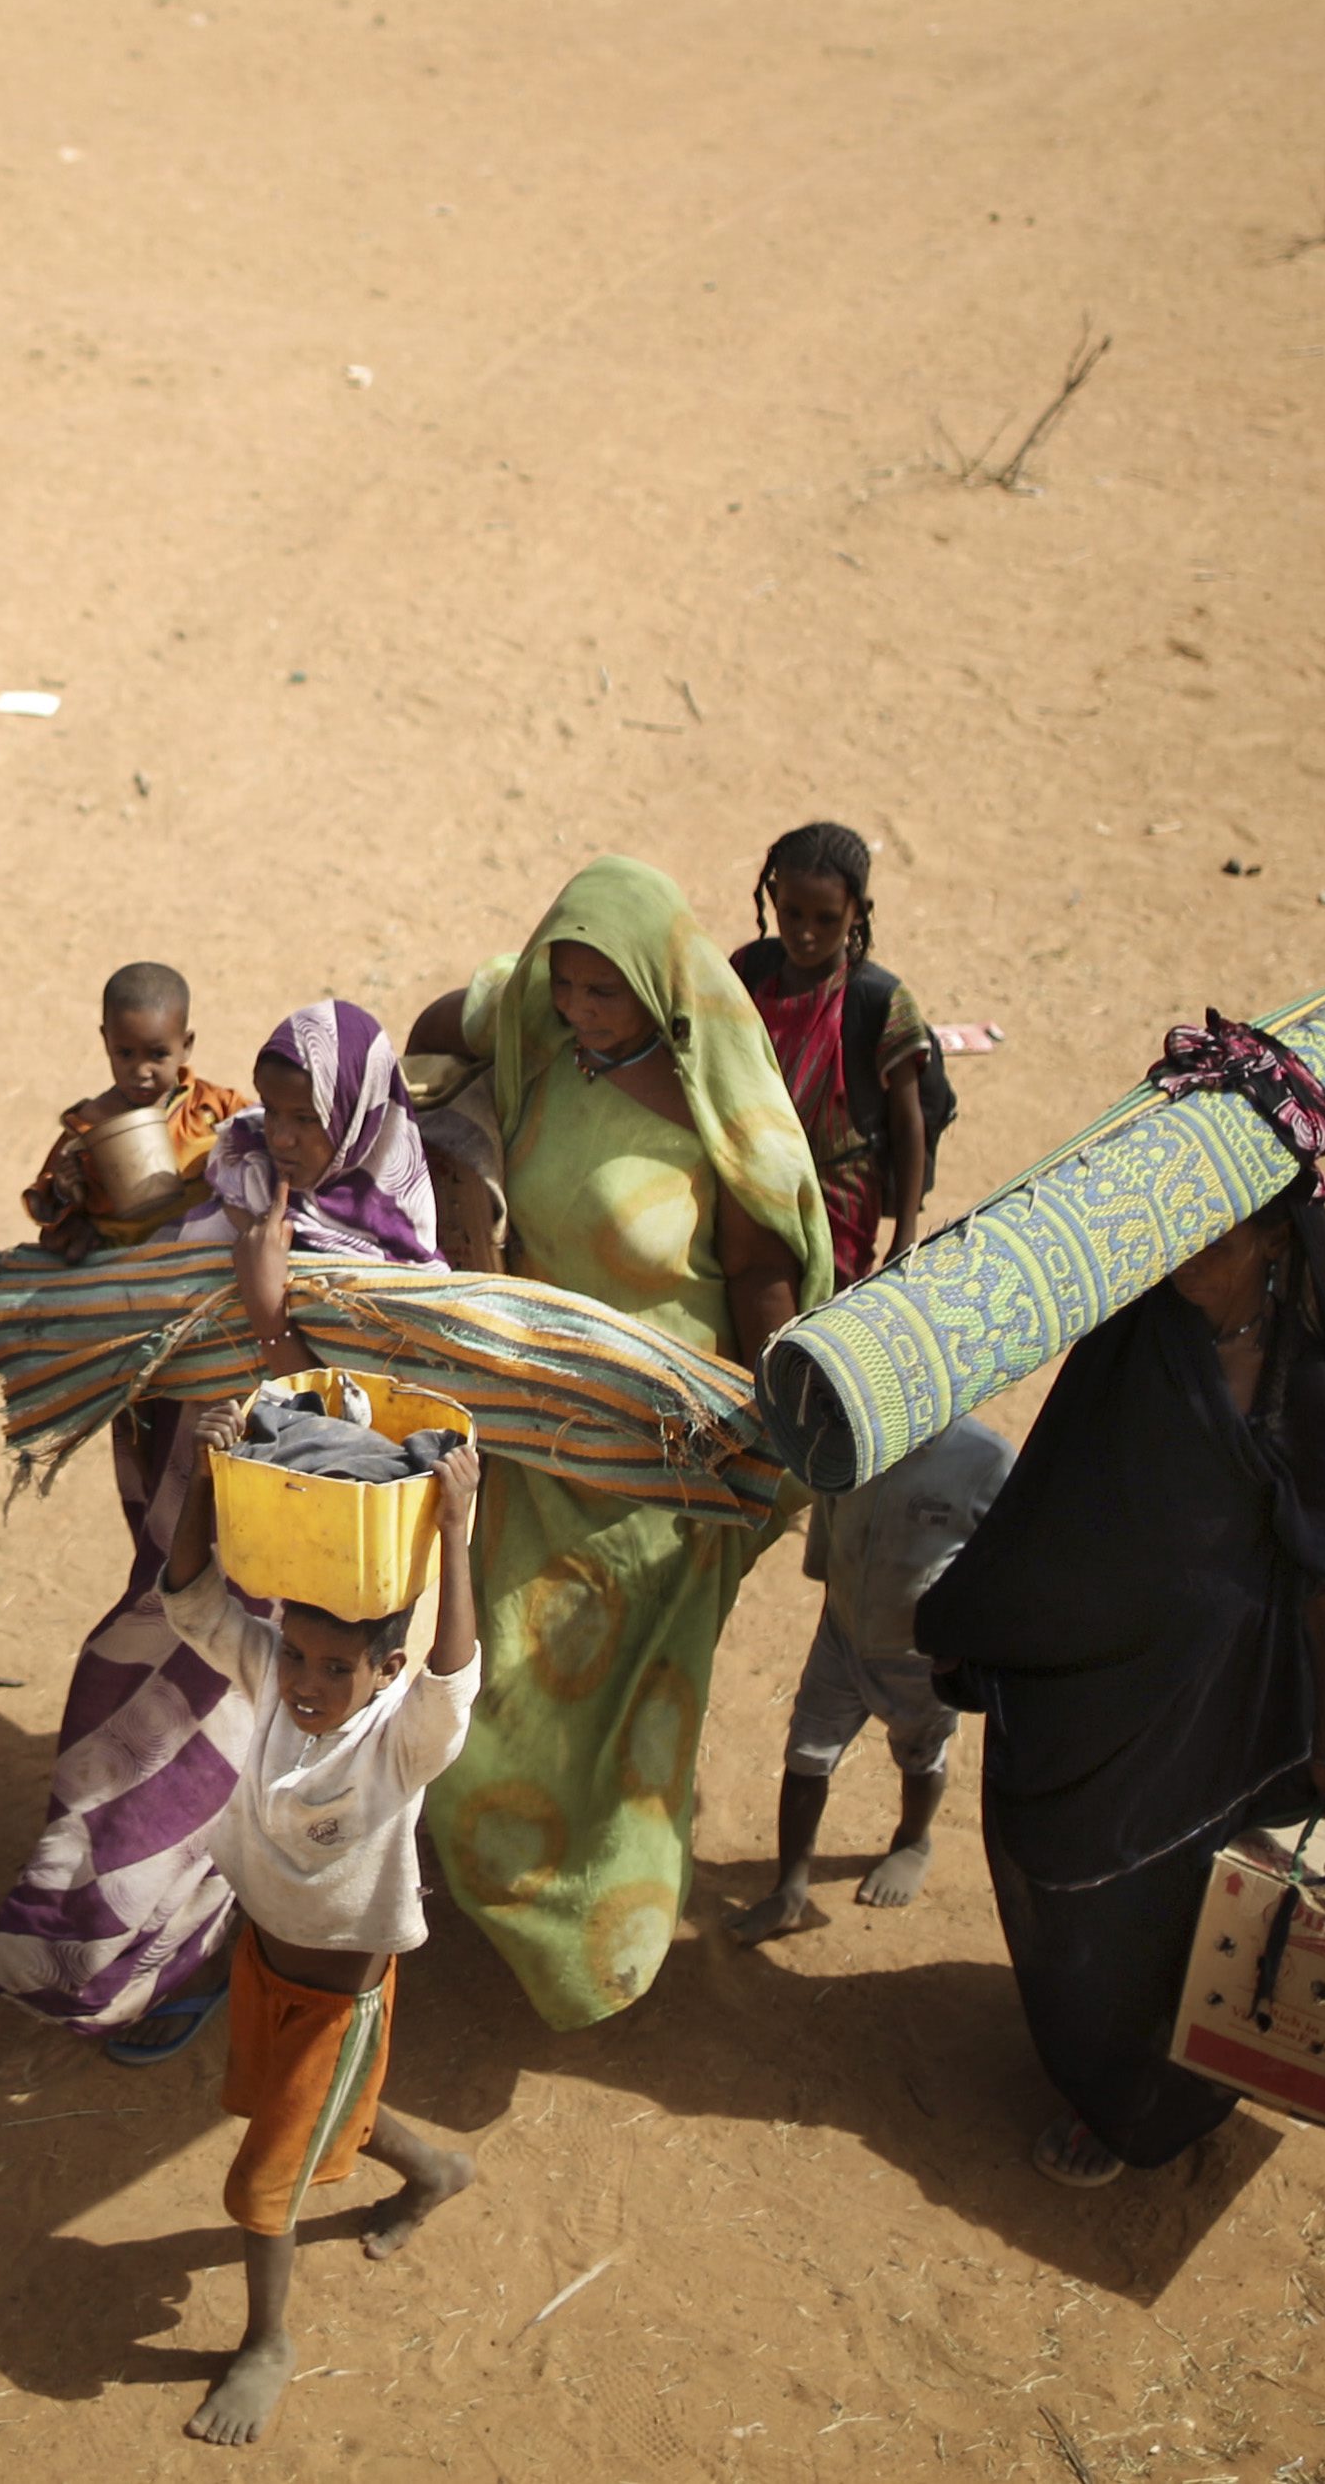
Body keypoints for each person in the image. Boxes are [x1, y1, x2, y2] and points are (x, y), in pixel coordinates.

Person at [915, 1015, 1325, 2187]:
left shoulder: (1311, 1398)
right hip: (1098, 1674)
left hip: (1226, 1701)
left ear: (1275, 1235)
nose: (1184, 1246)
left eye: (1212, 1224)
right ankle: (1092, 2060)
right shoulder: (1140, 1339)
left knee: (1188, 1898)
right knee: (1063, 1858)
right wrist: (992, 1623)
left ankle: (1142, 2106)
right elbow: (1059, 1489)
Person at [399, 857, 830, 2026]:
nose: (582, 1011)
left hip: (655, 1463)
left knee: (621, 1722)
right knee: (502, 1694)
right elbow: (432, 1030)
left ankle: (605, 1937)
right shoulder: (535, 1028)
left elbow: (759, 1277)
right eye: (568, 982)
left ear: (662, 989)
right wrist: (461, 1121)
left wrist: (771, 1435)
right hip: (539, 1438)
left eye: (605, 993)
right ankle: (497, 1886)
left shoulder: (716, 1113)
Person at [0, 997, 441, 2060]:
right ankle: (87, 1925)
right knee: (113, 1706)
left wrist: (269, 1314)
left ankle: (169, 1963)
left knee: (215, 1769)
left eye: (305, 1120)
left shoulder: (397, 1259)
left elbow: (368, 1423)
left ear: (361, 1116)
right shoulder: (235, 1172)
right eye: (273, 1110)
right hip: (187, 1542)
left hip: (285, 1580)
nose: (280, 1137)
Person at [154, 1421, 484, 2448]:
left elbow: (452, 1676)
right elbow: (193, 1600)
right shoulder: (269, 1693)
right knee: (300, 2113)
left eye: (333, 1665)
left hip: (341, 2002)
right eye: (293, 1651)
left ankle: (266, 2342)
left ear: (382, 1667)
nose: (302, 1679)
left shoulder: (397, 1740)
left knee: (263, 2174)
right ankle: (433, 2167)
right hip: (260, 1967)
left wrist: (458, 1527)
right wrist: (209, 1480)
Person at [723, 1407, 1010, 1941]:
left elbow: (1008, 1559)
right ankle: (790, 1889)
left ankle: (912, 1840)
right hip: (842, 1632)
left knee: (920, 1753)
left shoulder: (985, 1462)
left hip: (921, 1658)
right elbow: (831, 1512)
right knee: (806, 1753)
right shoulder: (852, 1438)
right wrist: (828, 1578)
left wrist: (968, 1644)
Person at [731, 822, 936, 1281]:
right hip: (751, 1177)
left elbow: (907, 1122)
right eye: (792, 913)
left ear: (858, 913)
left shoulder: (879, 1002)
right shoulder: (749, 971)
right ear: (773, 898)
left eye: (825, 919)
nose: (805, 933)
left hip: (836, 1199)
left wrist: (906, 1231)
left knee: (821, 1315)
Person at [22, 963, 250, 1256]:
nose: (141, 1071)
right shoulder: (88, 1126)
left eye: (158, 1055)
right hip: (121, 1254)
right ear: (107, 1042)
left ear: (186, 1044)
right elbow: (50, 1201)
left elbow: (263, 1129)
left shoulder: (210, 1105)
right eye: (125, 1053)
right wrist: (65, 1190)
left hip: (202, 1244)